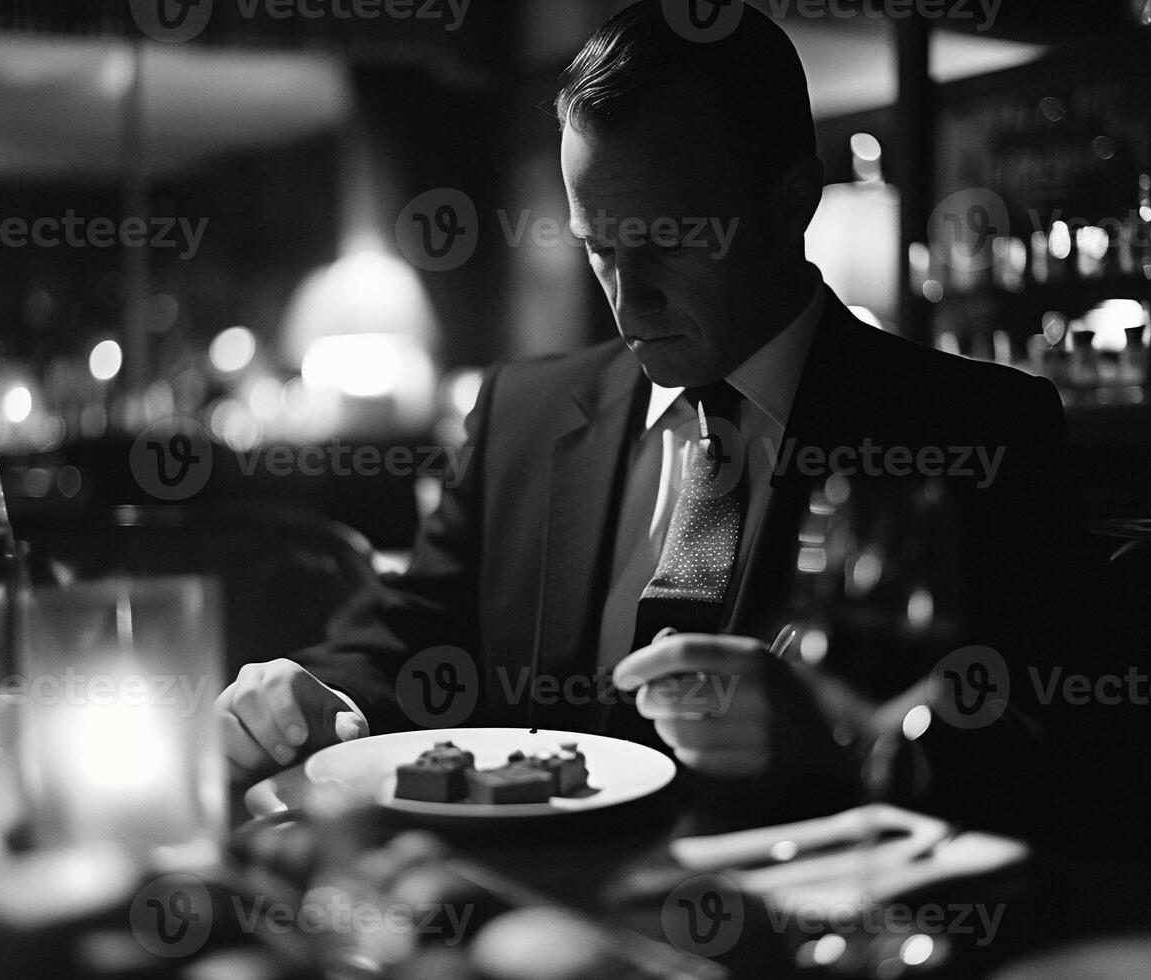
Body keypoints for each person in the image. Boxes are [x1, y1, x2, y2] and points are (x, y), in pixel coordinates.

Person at [219, 1, 1077, 821]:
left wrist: (844, 741)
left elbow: (1047, 745)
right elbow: (403, 637)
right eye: (599, 248)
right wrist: (306, 692)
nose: (628, 305)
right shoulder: (522, 412)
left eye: (668, 242)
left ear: (790, 205)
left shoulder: (974, 429)